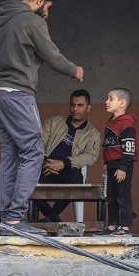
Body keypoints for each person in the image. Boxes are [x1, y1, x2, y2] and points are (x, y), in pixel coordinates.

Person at [0, 0, 83, 235]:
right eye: (48, 7)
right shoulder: (32, 21)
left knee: (10, 155)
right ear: (40, 1)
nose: (47, 12)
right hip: (19, 94)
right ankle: (16, 218)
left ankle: (6, 219)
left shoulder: (0, 19)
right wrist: (73, 69)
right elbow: (51, 54)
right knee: (33, 152)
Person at [34, 90, 103, 223]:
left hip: (68, 172)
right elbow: (38, 143)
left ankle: (50, 217)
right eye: (72, 105)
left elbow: (91, 156)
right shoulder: (54, 122)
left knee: (77, 179)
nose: (75, 109)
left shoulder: (93, 133)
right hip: (46, 168)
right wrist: (45, 163)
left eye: (80, 105)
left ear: (88, 108)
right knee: (26, 179)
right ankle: (53, 217)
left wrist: (64, 164)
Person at [101, 88, 138, 235]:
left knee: (123, 196)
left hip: (122, 164)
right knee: (111, 196)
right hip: (111, 165)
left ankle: (124, 226)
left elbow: (129, 147)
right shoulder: (111, 121)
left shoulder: (127, 123)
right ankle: (112, 226)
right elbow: (108, 145)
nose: (106, 102)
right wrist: (106, 164)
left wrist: (123, 167)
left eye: (110, 98)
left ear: (122, 103)